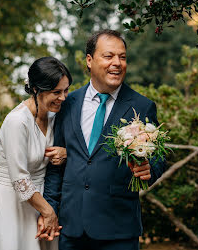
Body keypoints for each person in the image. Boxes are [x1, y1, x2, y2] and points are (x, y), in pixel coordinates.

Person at [42, 30, 167, 250]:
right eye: (109, 56)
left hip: (118, 230)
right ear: (89, 60)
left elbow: (158, 159)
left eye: (122, 57)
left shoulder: (141, 106)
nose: (117, 63)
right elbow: (56, 163)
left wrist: (150, 170)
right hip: (71, 229)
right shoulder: (68, 102)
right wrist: (50, 208)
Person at [0, 57, 72, 250]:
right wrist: (49, 213)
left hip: (42, 202)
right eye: (56, 92)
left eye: (66, 90)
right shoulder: (17, 122)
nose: (63, 97)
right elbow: (20, 181)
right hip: (12, 205)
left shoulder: (55, 116)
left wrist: (66, 152)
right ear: (37, 89)